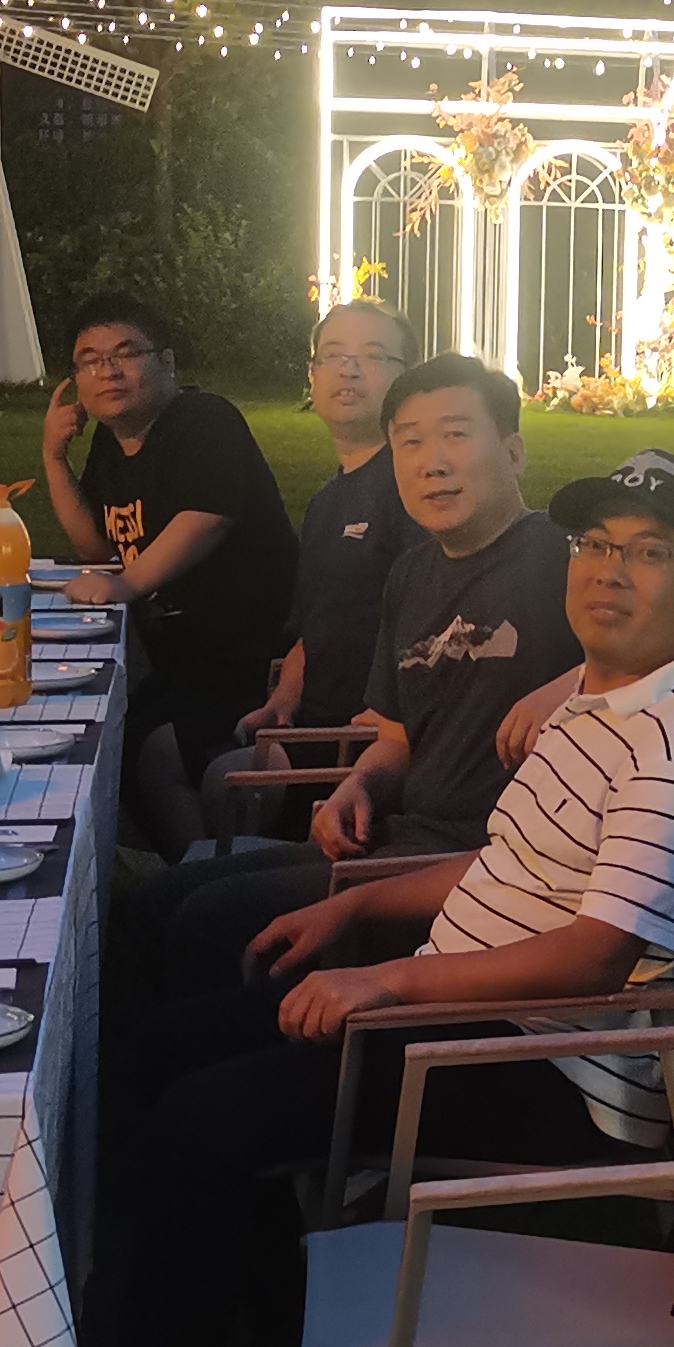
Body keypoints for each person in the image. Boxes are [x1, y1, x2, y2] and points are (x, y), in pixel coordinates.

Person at [84, 450, 674, 1347]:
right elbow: (506, 866)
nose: (609, 571)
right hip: (466, 1005)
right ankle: (264, 1322)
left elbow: (591, 959)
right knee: (157, 1050)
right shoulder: (604, 695)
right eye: (595, 544)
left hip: (544, 1065)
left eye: (651, 553)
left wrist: (385, 977)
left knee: (201, 1117)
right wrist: (355, 909)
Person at [125, 353, 581, 1010]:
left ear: (512, 453)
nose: (433, 463)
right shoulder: (411, 575)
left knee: (202, 924)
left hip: (480, 872)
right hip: (395, 842)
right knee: (158, 902)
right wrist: (359, 784)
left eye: (456, 435)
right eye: (410, 442)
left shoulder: (564, 554)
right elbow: (395, 738)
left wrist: (576, 681)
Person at [41, 288, 296, 848]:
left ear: (167, 363)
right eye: (91, 360)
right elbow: (99, 549)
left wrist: (127, 584)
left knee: (146, 747)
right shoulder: (113, 445)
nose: (109, 371)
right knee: (96, 732)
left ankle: (195, 870)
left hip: (249, 654)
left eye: (126, 353)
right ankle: (155, 868)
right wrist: (54, 458)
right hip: (183, 658)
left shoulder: (203, 421)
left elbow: (208, 517)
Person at [236, 298, 419, 755]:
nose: (349, 370)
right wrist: (285, 696)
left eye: (373, 356)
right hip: (306, 724)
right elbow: (314, 626)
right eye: (334, 354)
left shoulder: (415, 490)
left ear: (408, 379)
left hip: (359, 747)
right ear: (313, 373)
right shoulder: (327, 502)